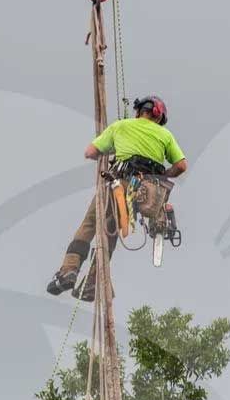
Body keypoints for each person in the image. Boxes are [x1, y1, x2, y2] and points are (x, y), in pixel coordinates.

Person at [46, 95, 187, 300]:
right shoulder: (165, 135)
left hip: (118, 187)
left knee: (90, 225)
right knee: (110, 233)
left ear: (139, 111)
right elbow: (181, 165)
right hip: (147, 194)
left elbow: (90, 152)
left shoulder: (120, 126)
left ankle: (69, 270)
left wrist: (110, 148)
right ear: (159, 117)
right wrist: (164, 175)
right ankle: (92, 281)